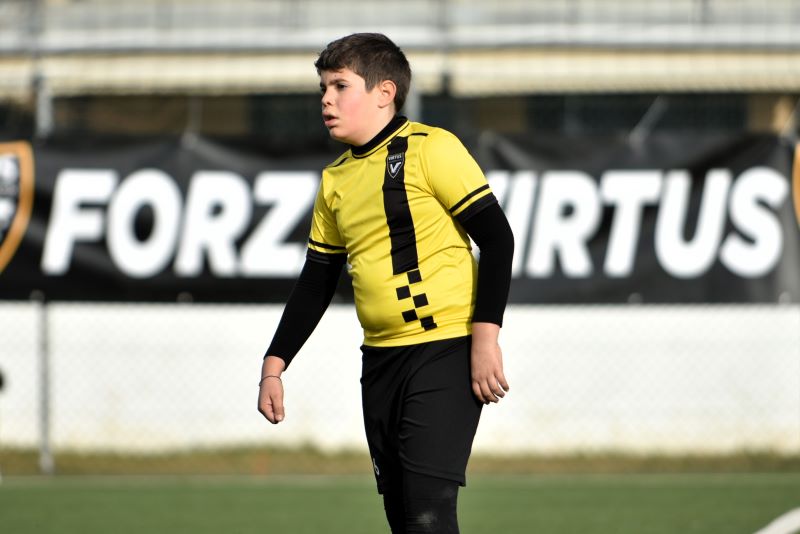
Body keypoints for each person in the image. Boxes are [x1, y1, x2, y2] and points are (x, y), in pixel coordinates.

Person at [257, 32, 514, 534]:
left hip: (444, 349)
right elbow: (316, 280)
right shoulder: (335, 180)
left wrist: (485, 339)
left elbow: (498, 239)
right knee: (402, 516)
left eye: (340, 86)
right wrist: (274, 364)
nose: (326, 100)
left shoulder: (432, 149)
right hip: (379, 361)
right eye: (323, 89)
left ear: (384, 92)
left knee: (427, 510)